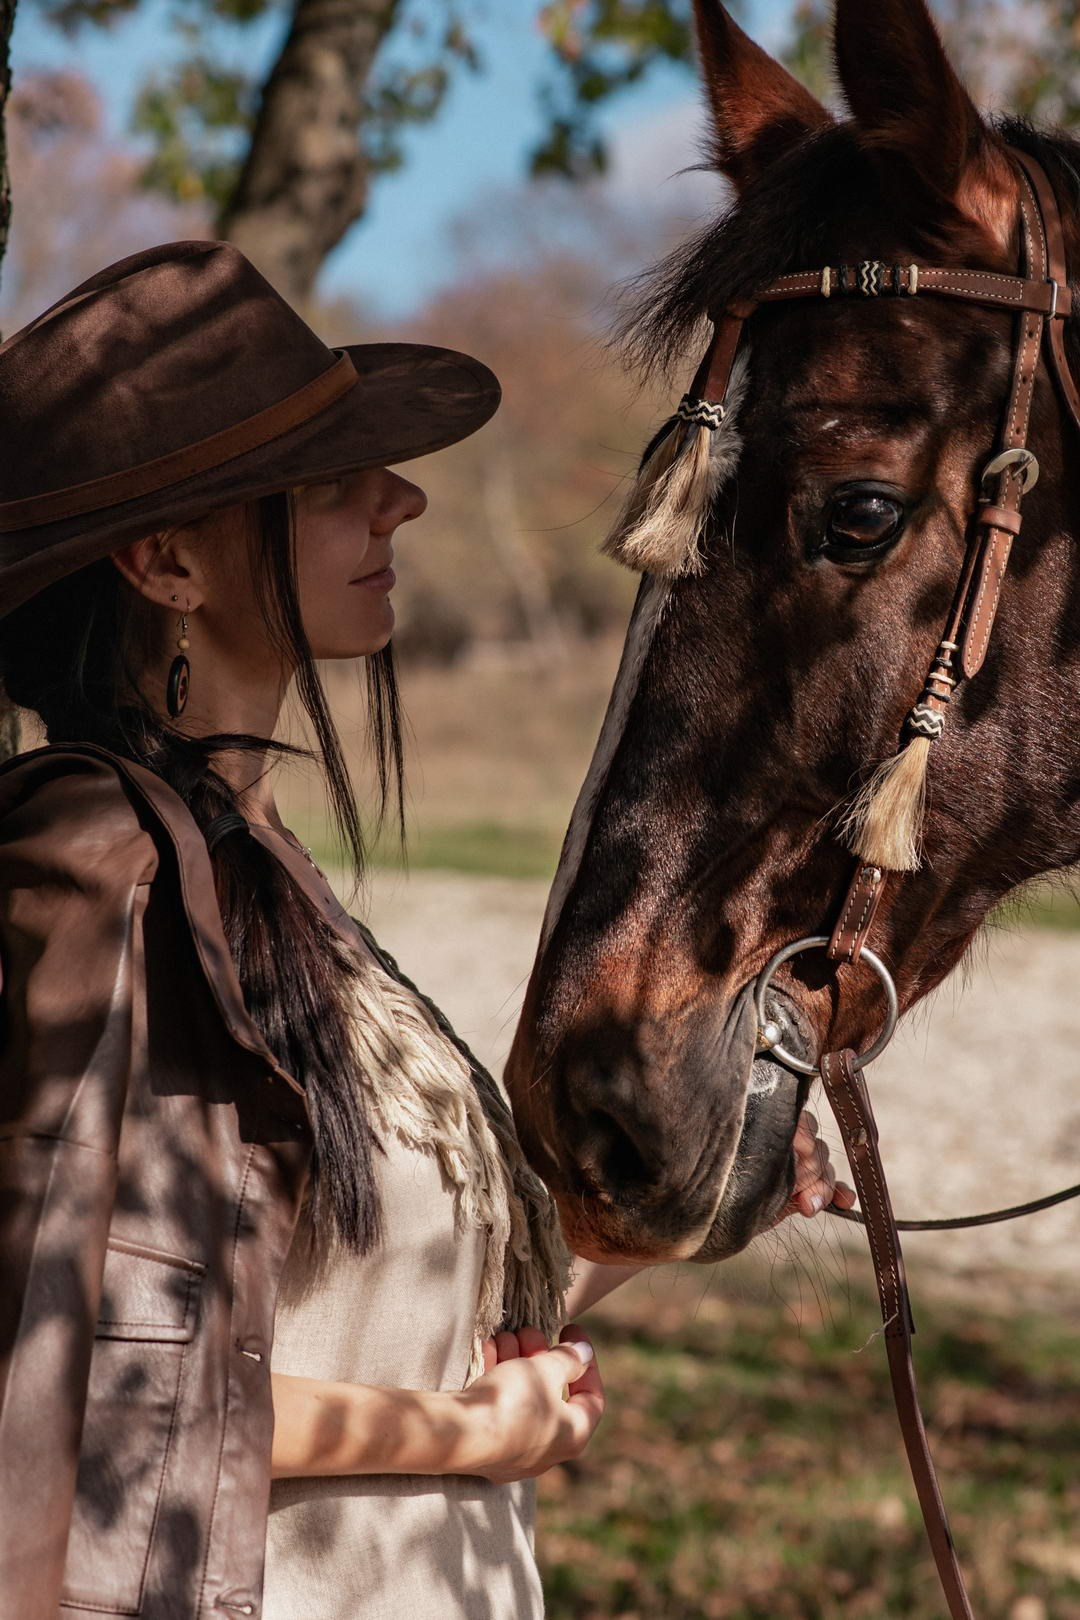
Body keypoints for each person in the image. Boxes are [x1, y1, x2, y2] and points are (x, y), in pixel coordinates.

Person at [0, 239, 850, 1620]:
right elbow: (94, 1388)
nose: (401, 500)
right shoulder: (98, 864)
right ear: (166, 561)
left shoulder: (257, 872)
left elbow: (379, 1303)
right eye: (336, 487)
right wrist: (474, 1437)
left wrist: (693, 1204)